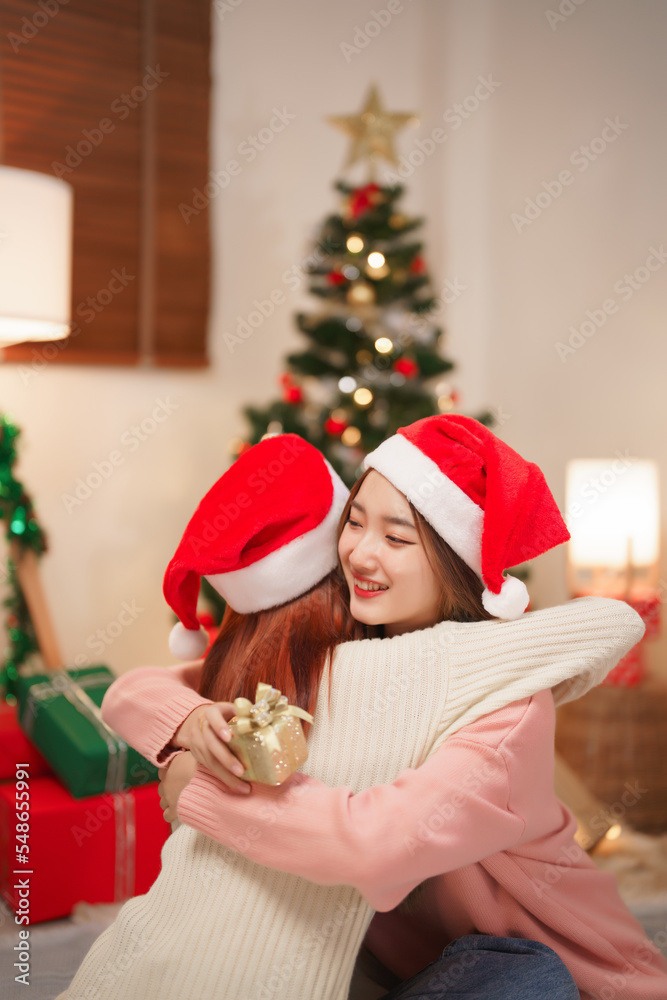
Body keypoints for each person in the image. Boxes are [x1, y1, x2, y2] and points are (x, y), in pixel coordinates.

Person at [95, 417, 665, 999]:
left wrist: (201, 790)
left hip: (520, 964)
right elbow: (137, 691)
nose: (360, 556)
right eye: (355, 524)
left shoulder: (504, 703)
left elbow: (378, 847)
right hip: (389, 969)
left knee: (525, 977)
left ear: (454, 560)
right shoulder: (353, 648)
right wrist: (188, 723)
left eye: (396, 539)